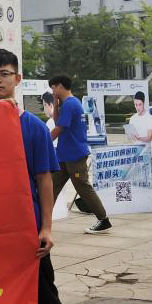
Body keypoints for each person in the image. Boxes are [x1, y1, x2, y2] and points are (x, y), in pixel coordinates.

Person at [0, 49, 85, 304]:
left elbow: (44, 180)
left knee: (44, 295)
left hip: (24, 228)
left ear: (17, 78)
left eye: (4, 73)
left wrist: (46, 228)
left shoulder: (34, 128)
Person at [49, 75, 112, 234]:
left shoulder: (71, 104)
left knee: (83, 187)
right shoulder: (68, 103)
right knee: (51, 187)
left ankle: (103, 220)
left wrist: (42, 142)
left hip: (74, 155)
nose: (52, 91)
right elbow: (58, 123)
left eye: (53, 87)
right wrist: (55, 104)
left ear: (60, 86)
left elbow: (58, 129)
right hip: (64, 155)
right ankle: (41, 221)